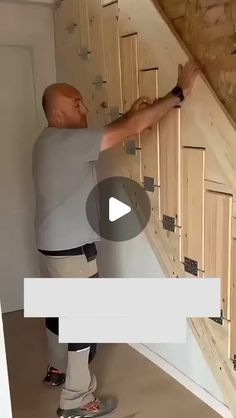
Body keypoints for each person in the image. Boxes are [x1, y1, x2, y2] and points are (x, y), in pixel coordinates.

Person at [32, 61, 200, 418]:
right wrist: (178, 92)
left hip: (50, 246)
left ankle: (57, 369)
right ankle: (76, 401)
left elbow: (114, 130)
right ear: (57, 116)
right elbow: (132, 129)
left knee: (57, 313)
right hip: (71, 252)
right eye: (76, 104)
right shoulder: (65, 142)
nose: (85, 107)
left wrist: (125, 117)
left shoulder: (49, 141)